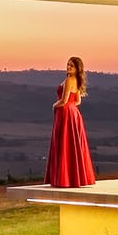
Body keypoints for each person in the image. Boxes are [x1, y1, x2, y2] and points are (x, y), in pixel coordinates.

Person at [46, 56, 96, 188]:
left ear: (77, 68)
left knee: (64, 143)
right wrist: (71, 107)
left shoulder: (69, 80)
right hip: (73, 113)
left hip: (65, 113)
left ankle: (64, 179)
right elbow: (78, 101)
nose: (68, 67)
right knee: (72, 144)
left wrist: (54, 105)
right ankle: (75, 177)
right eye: (68, 64)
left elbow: (63, 100)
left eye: (71, 66)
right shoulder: (76, 80)